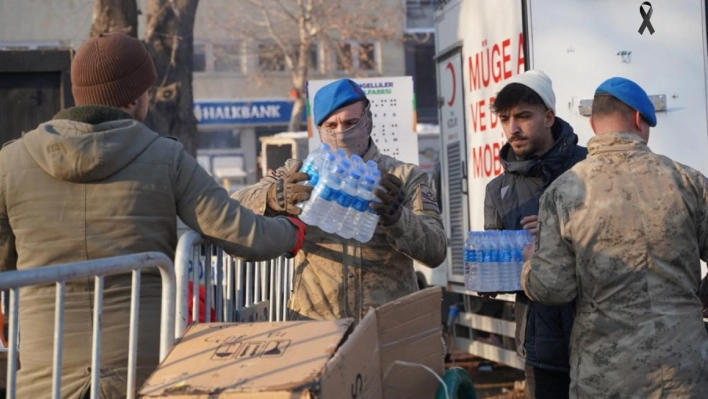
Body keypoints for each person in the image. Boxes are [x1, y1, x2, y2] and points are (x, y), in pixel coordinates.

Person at [0, 32, 306, 399]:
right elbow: (243, 234)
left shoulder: (11, 161)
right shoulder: (166, 158)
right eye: (146, 90)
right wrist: (294, 231)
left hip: (43, 372)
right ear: (132, 98)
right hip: (138, 370)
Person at [521, 77, 708, 398]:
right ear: (639, 120)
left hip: (607, 375)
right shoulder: (688, 181)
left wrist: (529, 264)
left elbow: (553, 288)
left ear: (593, 124)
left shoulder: (565, 192)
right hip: (683, 372)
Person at [233, 78, 447, 321]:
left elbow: (436, 250)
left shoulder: (402, 176)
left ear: (368, 120)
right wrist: (271, 197)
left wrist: (399, 218)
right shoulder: (299, 172)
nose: (341, 132)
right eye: (331, 125)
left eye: (350, 122)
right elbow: (233, 206)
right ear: (320, 129)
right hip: (317, 324)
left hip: (385, 322)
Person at [484, 70, 587, 399]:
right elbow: (493, 276)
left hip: (601, 337)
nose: (512, 128)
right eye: (505, 119)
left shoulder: (590, 169)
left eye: (523, 117)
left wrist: (557, 237)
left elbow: (619, 244)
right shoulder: (497, 190)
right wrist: (491, 267)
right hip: (539, 344)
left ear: (549, 116)